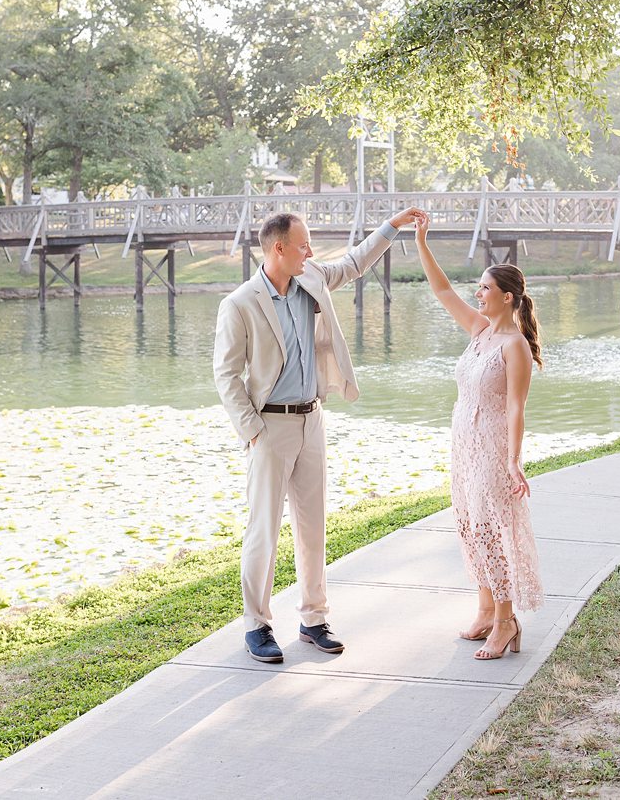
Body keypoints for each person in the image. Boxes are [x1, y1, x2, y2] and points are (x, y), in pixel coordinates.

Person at [213, 207, 424, 663]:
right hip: (268, 427)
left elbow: (353, 262)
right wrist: (252, 431)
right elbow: (226, 375)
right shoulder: (240, 303)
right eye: (303, 244)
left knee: (313, 528)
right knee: (263, 531)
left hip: (312, 421)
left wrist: (393, 226)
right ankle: (257, 626)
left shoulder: (310, 278)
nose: (310, 251)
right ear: (278, 249)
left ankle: (313, 618)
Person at [414, 211, 544, 661]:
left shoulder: (515, 346)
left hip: (491, 447)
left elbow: (515, 408)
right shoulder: (478, 330)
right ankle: (486, 607)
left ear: (507, 298)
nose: (478, 292)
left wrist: (513, 460)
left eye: (486, 288)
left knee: (493, 529)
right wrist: (422, 244)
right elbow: (442, 289)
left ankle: (507, 619)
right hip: (462, 446)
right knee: (470, 526)